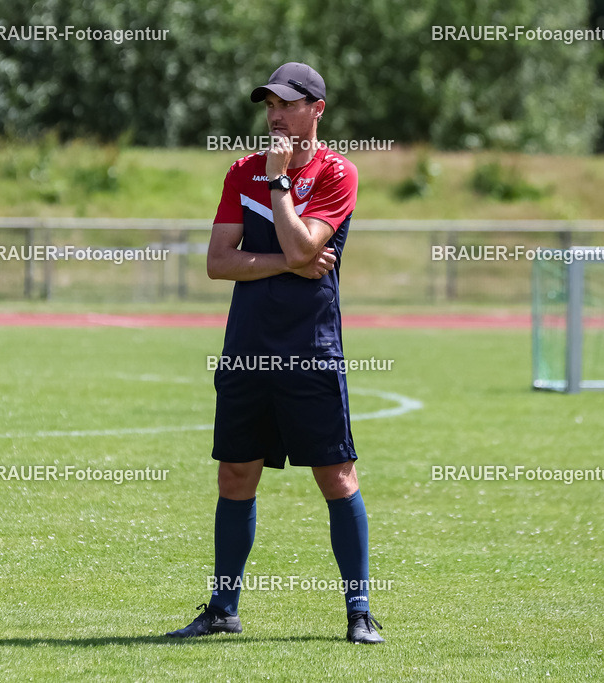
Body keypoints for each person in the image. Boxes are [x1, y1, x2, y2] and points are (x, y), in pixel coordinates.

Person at [165, 62, 383, 644]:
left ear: (317, 109)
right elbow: (219, 262)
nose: (275, 116)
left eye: (287, 104)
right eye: (269, 106)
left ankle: (359, 612)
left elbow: (302, 240)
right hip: (247, 348)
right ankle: (222, 608)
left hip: (310, 348)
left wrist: (281, 184)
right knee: (236, 474)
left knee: (336, 476)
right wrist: (290, 262)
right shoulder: (241, 172)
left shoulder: (338, 172)